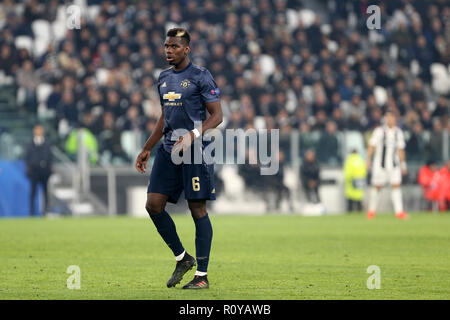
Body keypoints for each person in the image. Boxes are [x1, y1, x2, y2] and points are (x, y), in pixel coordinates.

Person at [135, 28, 223, 290]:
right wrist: (148, 147)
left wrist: (194, 135)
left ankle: (202, 276)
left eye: (174, 46)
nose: (168, 50)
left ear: (187, 49)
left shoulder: (201, 76)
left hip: (195, 151)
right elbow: (165, 117)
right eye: (166, 46)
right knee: (153, 205)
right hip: (168, 149)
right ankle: (183, 258)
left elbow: (217, 116)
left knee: (198, 210)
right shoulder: (162, 78)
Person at [366, 110, 408, 219]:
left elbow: (401, 150)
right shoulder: (379, 131)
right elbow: (371, 146)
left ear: (395, 119)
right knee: (377, 187)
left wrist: (403, 165)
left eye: (391, 117)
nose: (389, 119)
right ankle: (371, 211)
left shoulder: (398, 132)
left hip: (394, 165)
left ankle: (399, 212)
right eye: (387, 117)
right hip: (380, 165)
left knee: (396, 186)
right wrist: (368, 159)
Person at [25, 124, 52, 216]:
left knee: (45, 192)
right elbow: (27, 157)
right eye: (37, 129)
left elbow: (50, 157)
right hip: (34, 171)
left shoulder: (47, 143)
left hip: (44, 171)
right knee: (33, 192)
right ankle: (31, 212)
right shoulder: (30, 143)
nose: (38, 131)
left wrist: (48, 167)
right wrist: (29, 167)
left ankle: (46, 211)